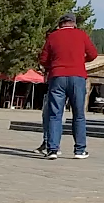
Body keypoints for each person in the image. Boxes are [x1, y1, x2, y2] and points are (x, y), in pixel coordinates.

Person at [39, 12, 98, 160]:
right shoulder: (81, 35)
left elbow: (43, 59)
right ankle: (79, 150)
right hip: (77, 77)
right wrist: (80, 59)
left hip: (57, 76)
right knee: (78, 115)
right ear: (74, 23)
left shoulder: (52, 37)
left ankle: (52, 149)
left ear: (60, 24)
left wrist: (52, 65)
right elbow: (93, 54)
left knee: (55, 114)